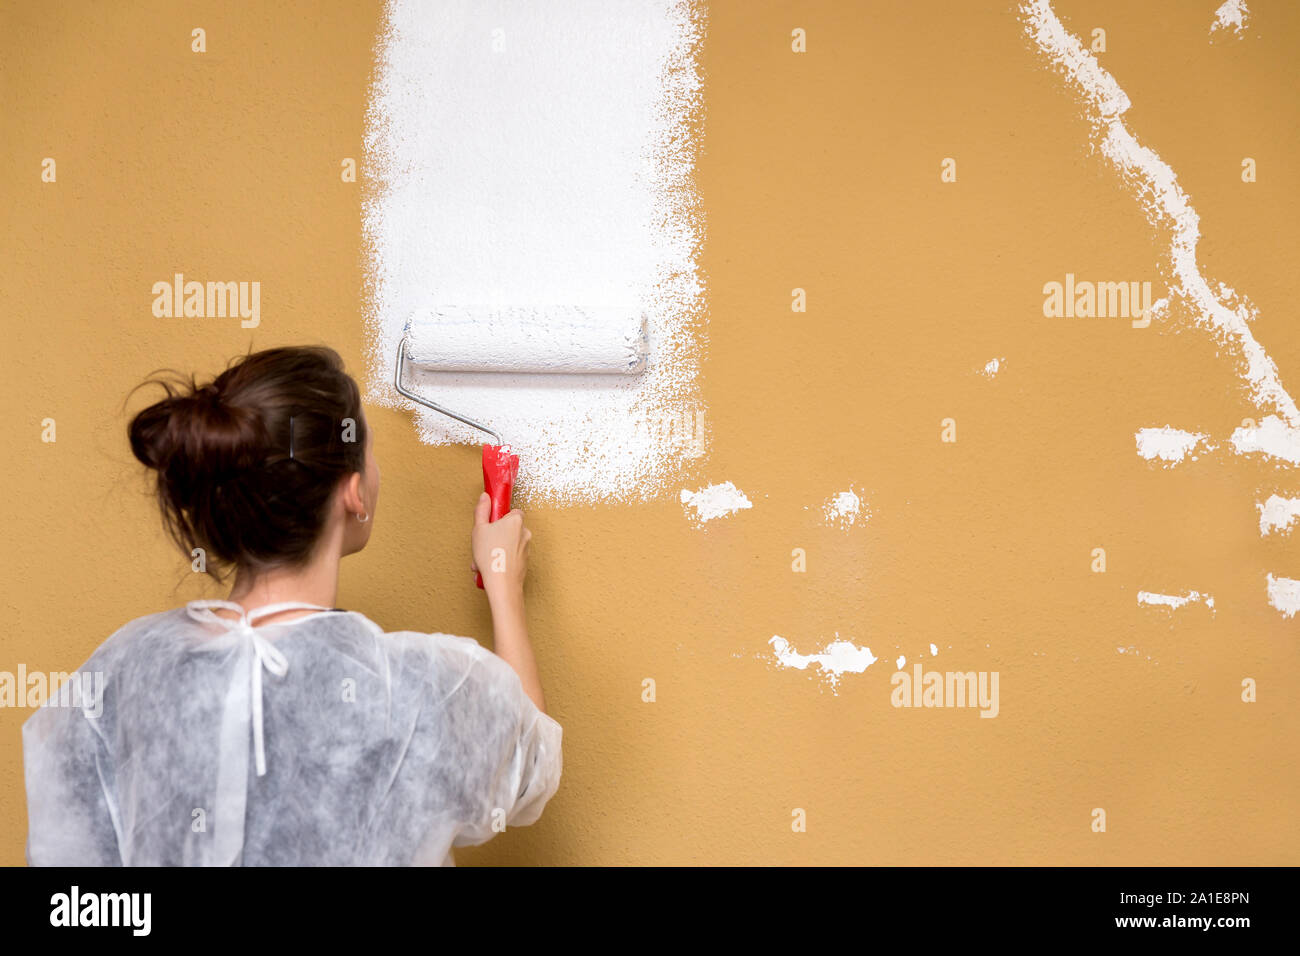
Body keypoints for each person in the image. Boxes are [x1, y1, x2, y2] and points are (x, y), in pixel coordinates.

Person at [21, 345, 560, 866]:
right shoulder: (415, 689)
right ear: (354, 494)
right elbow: (529, 761)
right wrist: (504, 584)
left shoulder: (125, 669)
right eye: (368, 453)